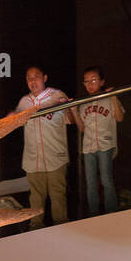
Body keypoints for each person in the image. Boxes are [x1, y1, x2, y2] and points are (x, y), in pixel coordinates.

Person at [16, 65, 76, 228]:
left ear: (45, 78)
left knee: (58, 196)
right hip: (32, 158)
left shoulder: (57, 95)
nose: (32, 80)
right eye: (28, 77)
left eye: (36, 76)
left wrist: (69, 108)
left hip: (55, 156)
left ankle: (62, 229)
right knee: (35, 198)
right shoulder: (24, 102)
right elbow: (14, 122)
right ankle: (35, 230)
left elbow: (71, 120)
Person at [73, 65, 124, 215]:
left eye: (94, 80)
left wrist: (114, 96)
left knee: (106, 179)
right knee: (90, 183)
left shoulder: (108, 98)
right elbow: (82, 128)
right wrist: (73, 111)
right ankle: (93, 213)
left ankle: (111, 211)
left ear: (102, 81)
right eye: (86, 81)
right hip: (88, 146)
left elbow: (119, 117)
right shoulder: (84, 102)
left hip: (105, 144)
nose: (90, 84)